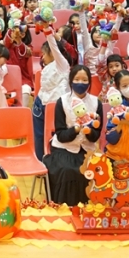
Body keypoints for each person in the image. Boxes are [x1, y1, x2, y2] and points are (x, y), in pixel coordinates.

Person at [45, 65, 101, 205]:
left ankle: (87, 208)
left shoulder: (96, 103)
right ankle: (64, 208)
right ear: (71, 81)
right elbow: (60, 135)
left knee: (89, 170)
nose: (80, 83)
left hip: (86, 149)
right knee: (68, 170)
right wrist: (76, 129)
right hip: (64, 147)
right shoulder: (62, 101)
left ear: (89, 82)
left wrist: (88, 130)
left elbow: (96, 136)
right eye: (77, 79)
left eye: (84, 80)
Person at [33, 39, 70, 161]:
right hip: (40, 104)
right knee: (39, 136)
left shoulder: (62, 65)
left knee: (54, 137)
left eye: (44, 53)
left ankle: (54, 163)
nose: (42, 57)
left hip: (55, 107)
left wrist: (48, 32)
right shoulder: (47, 67)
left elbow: (53, 46)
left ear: (53, 53)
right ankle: (40, 162)